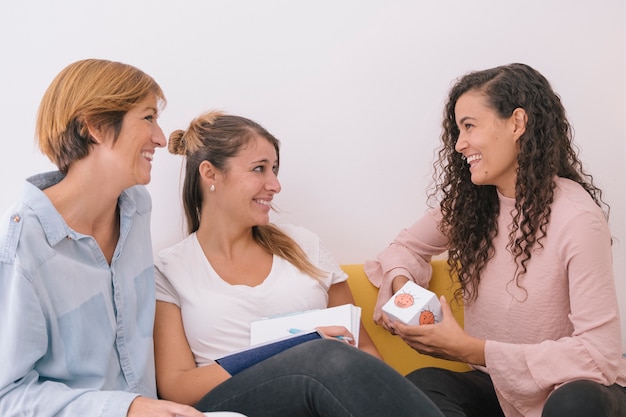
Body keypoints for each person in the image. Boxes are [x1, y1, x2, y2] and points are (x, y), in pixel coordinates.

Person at [364, 63, 626, 417]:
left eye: (469, 126)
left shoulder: (577, 218)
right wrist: (405, 290)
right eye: (457, 130)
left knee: (577, 402)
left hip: (567, 388)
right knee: (424, 383)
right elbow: (404, 247)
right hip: (500, 386)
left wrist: (472, 349)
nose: (459, 144)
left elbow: (600, 354)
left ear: (517, 123)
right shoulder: (472, 203)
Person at [153, 111, 446, 417]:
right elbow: (177, 386)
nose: (275, 184)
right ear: (210, 174)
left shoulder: (304, 246)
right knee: (323, 355)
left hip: (316, 399)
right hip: (232, 406)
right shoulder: (170, 269)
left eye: (275, 169)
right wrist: (297, 345)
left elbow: (363, 351)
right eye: (259, 169)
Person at [0, 59, 208, 417]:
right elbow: (8, 397)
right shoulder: (23, 245)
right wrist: (127, 409)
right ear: (95, 126)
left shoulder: (136, 208)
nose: (160, 138)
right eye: (147, 118)